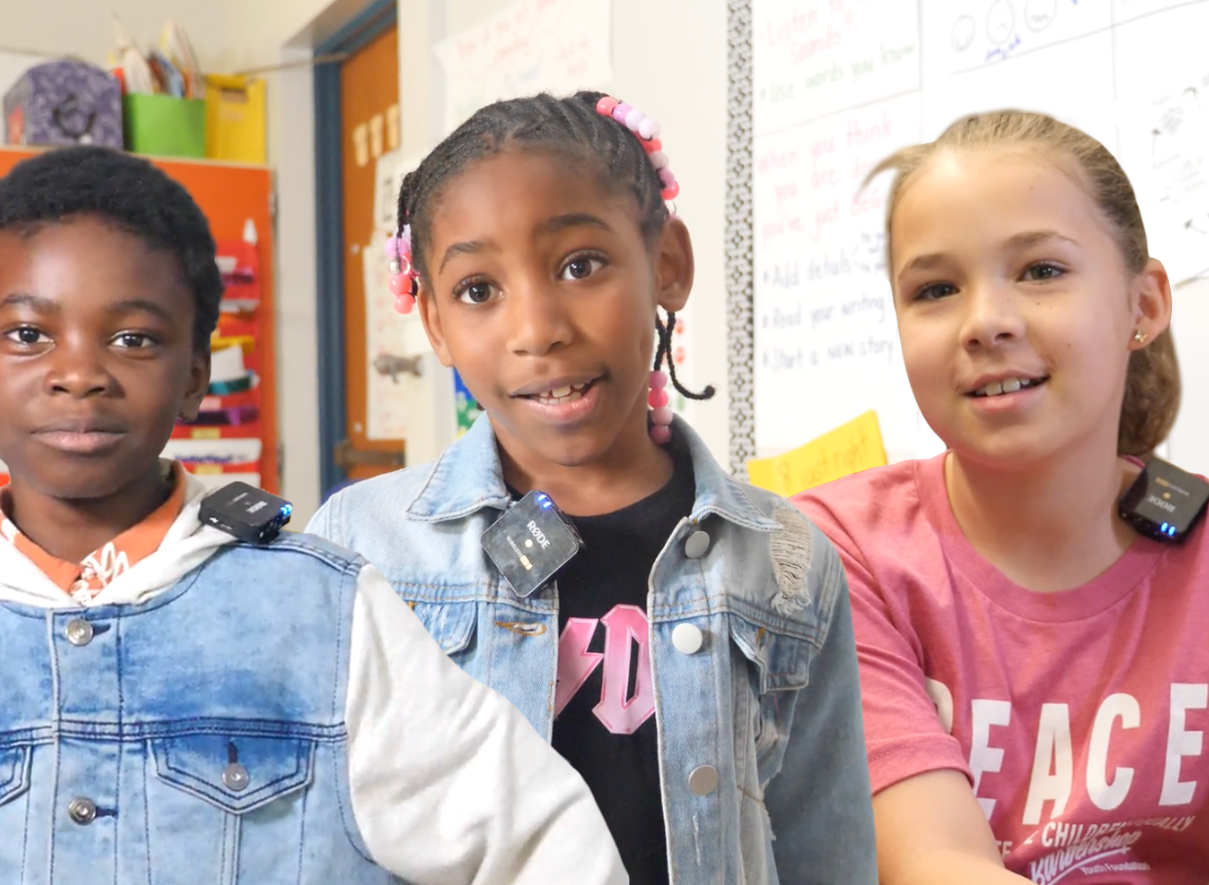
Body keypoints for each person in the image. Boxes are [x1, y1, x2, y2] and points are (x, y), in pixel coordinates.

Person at [0, 145, 625, 885]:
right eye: (27, 335)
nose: (78, 374)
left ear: (194, 377)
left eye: (133, 338)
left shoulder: (324, 612)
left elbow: (546, 847)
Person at [308, 91, 877, 884]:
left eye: (579, 265)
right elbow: (319, 837)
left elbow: (826, 847)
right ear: (433, 321)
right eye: (478, 289)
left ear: (666, 264)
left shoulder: (785, 561)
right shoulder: (359, 545)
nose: (537, 328)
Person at [794, 110, 1209, 883]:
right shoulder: (831, 554)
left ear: (1144, 305)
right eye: (935, 289)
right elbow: (937, 862)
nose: (984, 322)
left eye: (1040, 271)